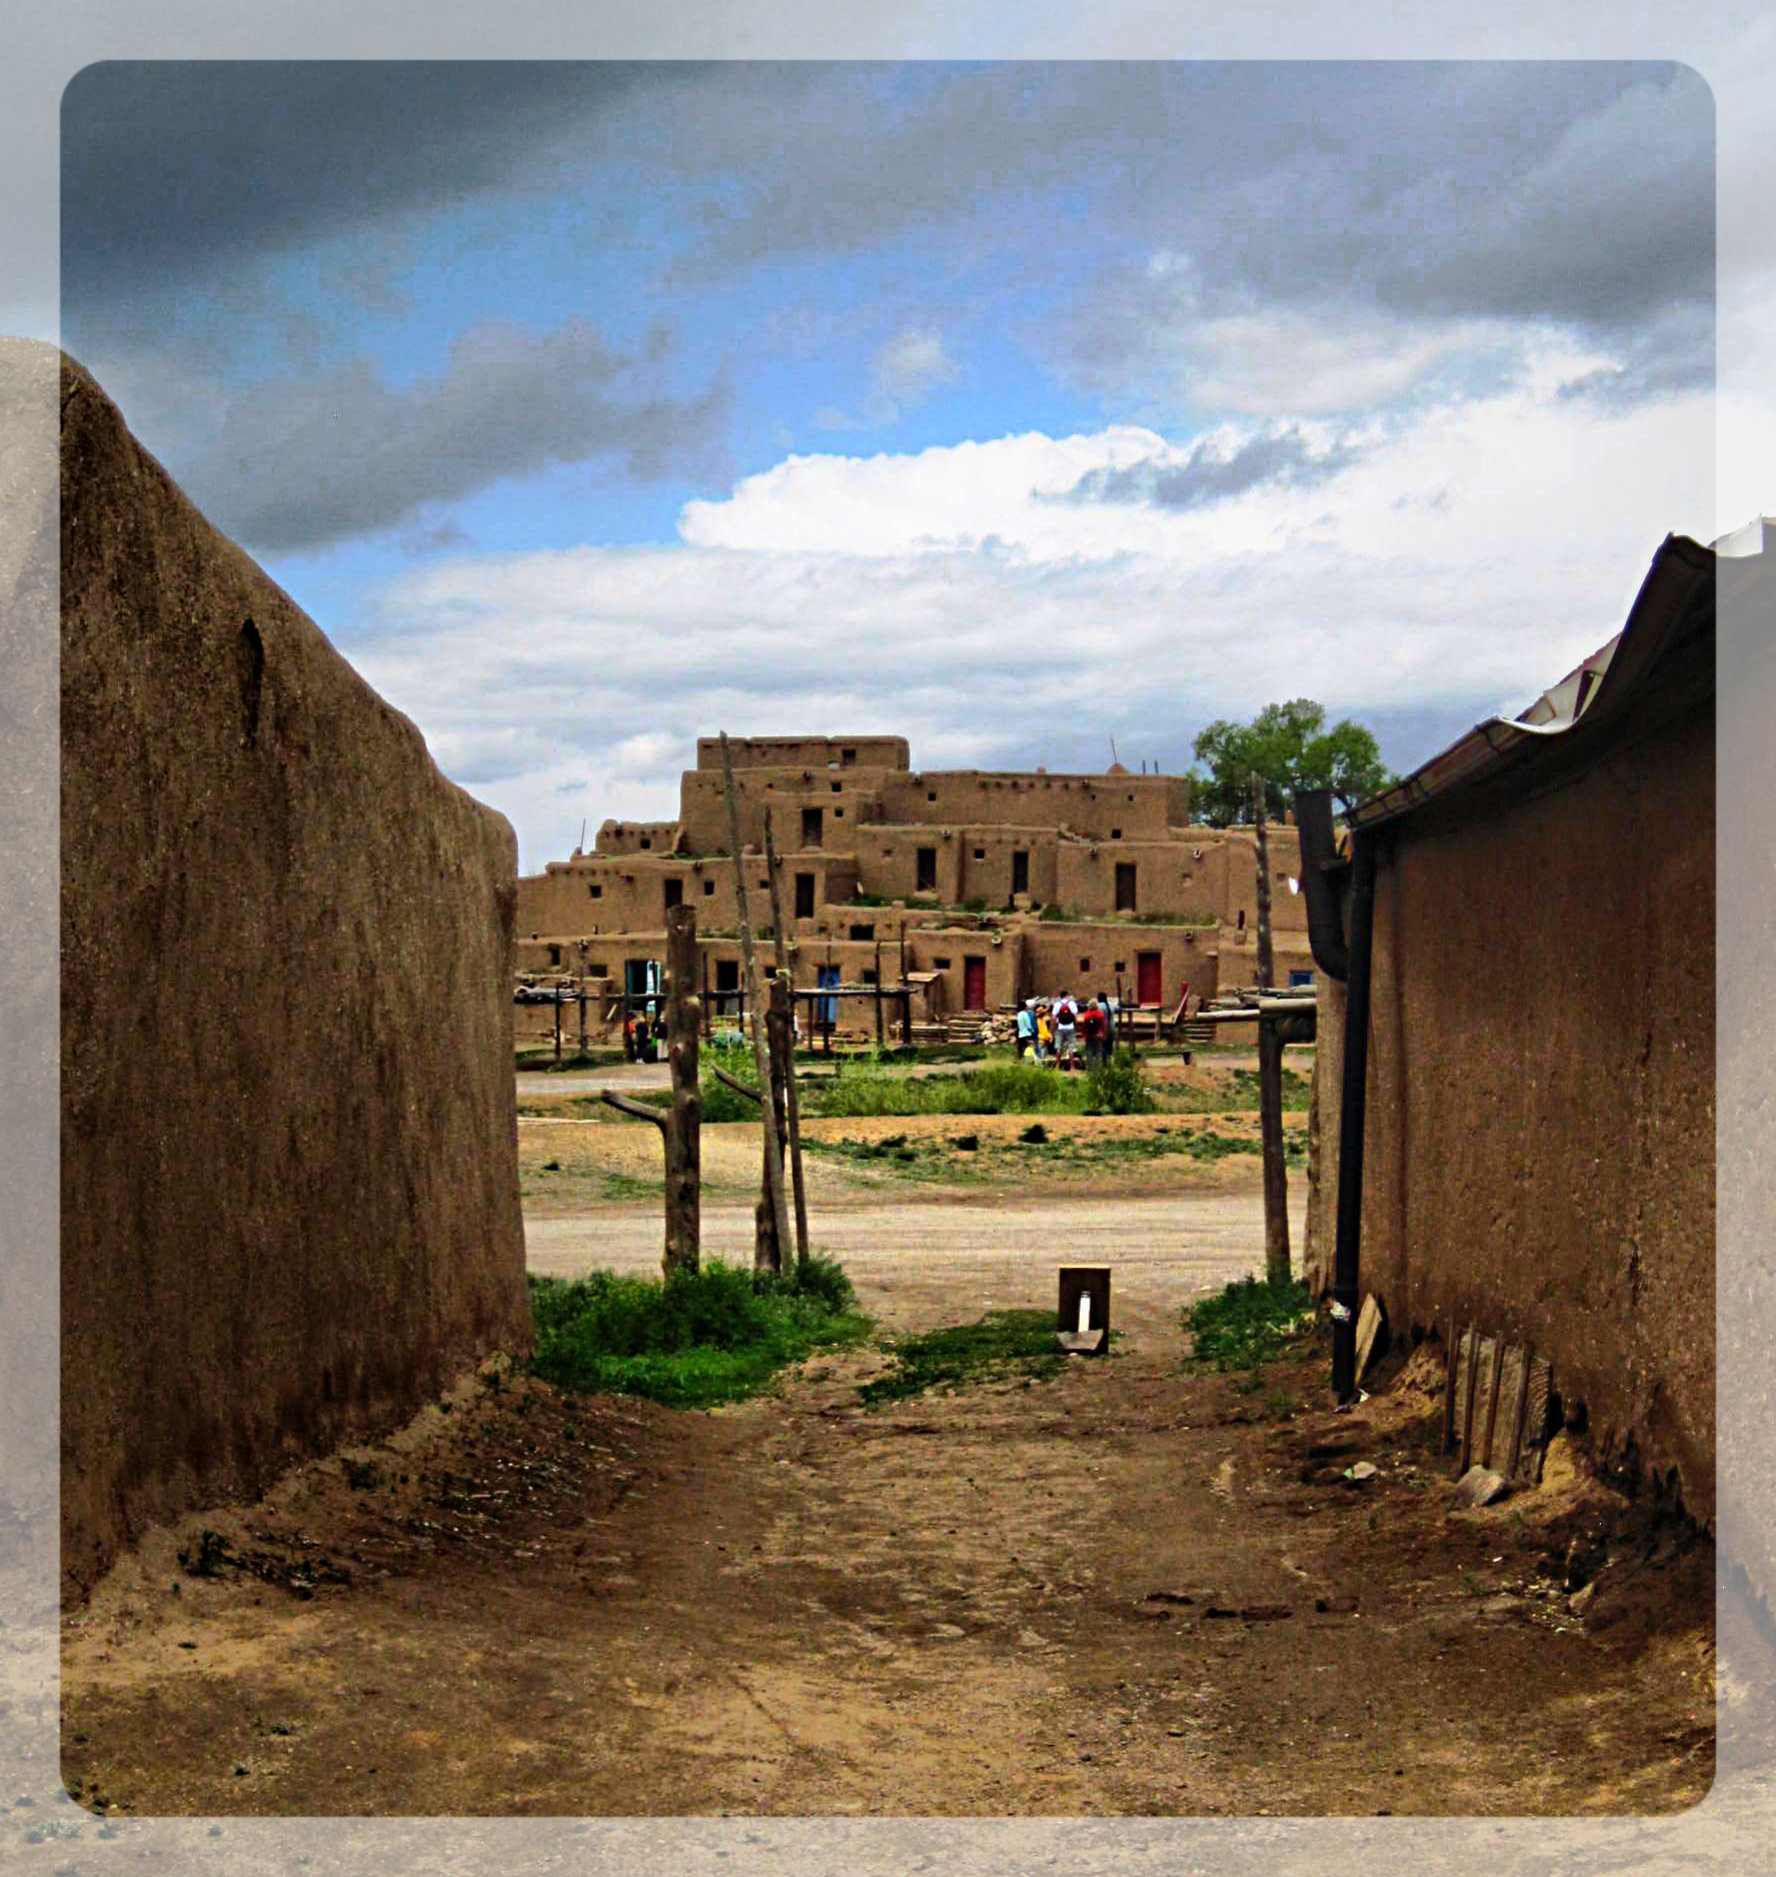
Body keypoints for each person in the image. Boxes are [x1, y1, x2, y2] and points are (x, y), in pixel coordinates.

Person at [1052, 992, 1079, 1069]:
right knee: (1071, 1047)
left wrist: (1054, 1027)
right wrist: (1076, 1026)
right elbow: (1075, 1016)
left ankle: (1057, 1066)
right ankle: (1072, 1067)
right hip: (1070, 1028)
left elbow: (1053, 1018)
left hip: (1060, 1028)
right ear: (1067, 996)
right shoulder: (1072, 1004)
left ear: (1060, 996)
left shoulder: (1057, 1004)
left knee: (1059, 1047)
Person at [1035, 1000, 1054, 1065]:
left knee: (1044, 1059)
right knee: (1040, 1059)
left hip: (1045, 1042)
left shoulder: (1043, 1020)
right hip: (1040, 1042)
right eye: (1043, 1012)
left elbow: (1046, 1030)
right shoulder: (1036, 1021)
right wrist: (1044, 1038)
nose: (1045, 1013)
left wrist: (1050, 1036)